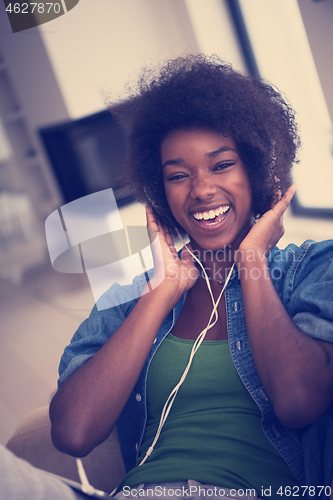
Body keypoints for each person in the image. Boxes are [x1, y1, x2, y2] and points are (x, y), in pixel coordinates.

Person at [1, 55, 332, 500]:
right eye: (178, 175)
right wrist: (162, 291)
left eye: (221, 165)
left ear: (257, 172)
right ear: (160, 192)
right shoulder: (130, 298)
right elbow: (73, 432)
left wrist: (252, 259)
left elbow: (297, 401)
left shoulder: (312, 270)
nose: (200, 189)